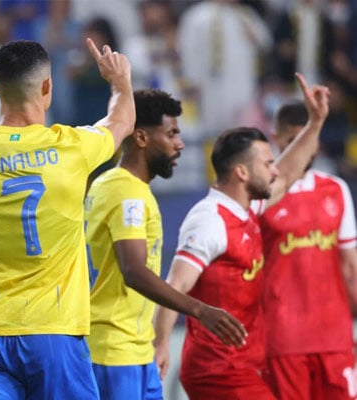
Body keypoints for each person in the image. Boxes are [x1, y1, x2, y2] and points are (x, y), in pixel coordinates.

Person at [0, 39, 135, 399]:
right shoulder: (73, 147)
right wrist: (120, 81)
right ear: (48, 87)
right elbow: (122, 121)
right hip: (55, 334)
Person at [152, 73, 330, 400]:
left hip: (243, 366)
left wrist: (315, 123)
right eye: (267, 163)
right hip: (218, 371)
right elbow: (174, 286)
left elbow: (288, 173)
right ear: (242, 172)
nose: (274, 169)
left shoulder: (247, 209)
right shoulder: (210, 220)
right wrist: (161, 341)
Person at [85, 89, 247, 400]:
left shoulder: (120, 186)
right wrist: (199, 310)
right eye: (171, 133)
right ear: (142, 138)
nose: (180, 144)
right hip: (113, 352)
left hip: (135, 347)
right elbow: (133, 270)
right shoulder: (126, 193)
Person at [260, 101, 357, 400]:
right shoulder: (260, 198)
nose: (305, 150)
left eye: (309, 139)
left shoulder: (336, 189)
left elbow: (350, 267)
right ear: (276, 139)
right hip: (282, 341)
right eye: (293, 141)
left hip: (335, 339)